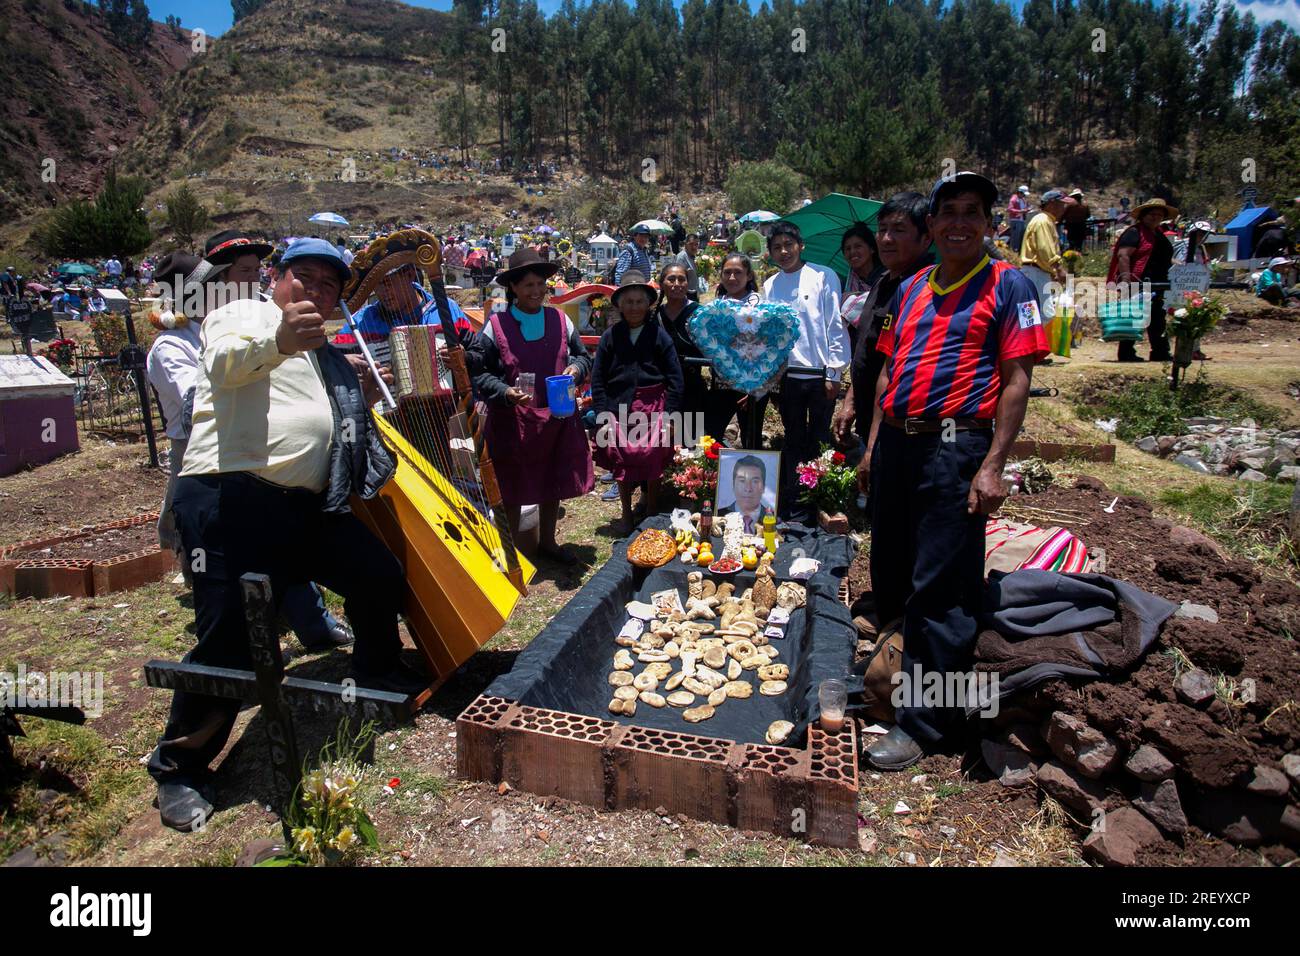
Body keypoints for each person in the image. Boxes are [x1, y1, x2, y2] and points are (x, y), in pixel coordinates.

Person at [149, 238, 411, 832]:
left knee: (375, 575)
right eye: (305, 277)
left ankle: (375, 669)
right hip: (229, 498)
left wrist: (357, 401)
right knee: (229, 640)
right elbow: (223, 365)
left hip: (307, 507)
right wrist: (281, 338)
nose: (315, 291)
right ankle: (180, 768)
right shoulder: (241, 312)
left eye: (328, 285)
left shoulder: (323, 350)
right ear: (276, 278)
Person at [859, 171, 1047, 770]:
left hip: (954, 447)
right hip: (896, 443)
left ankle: (924, 724)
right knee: (889, 563)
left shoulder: (1009, 286)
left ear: (990, 224)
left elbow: (1018, 381)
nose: (959, 223)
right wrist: (870, 448)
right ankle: (887, 677)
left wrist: (993, 465)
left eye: (973, 212)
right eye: (949, 213)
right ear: (933, 225)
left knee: (942, 586)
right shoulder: (911, 288)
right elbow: (888, 372)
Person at [469, 249, 594, 564]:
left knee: (551, 480)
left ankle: (548, 542)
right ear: (513, 288)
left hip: (556, 417)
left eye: (540, 284)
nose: (536, 291)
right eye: (528, 285)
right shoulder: (495, 326)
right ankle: (509, 553)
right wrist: (505, 391)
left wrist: (576, 370)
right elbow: (479, 372)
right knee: (511, 486)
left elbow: (583, 356)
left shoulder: (559, 319)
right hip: (514, 421)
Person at [834, 192, 934, 453]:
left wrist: (873, 446)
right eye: (883, 229)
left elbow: (894, 369)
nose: (887, 238)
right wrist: (851, 402)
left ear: (926, 236)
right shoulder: (884, 283)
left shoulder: (929, 289)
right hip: (872, 420)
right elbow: (868, 351)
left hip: (904, 428)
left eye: (898, 230)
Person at [762, 222, 849, 522]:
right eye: (777, 247)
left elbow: (834, 325)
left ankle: (823, 498)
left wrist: (834, 373)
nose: (783, 251)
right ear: (770, 252)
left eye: (789, 244)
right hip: (788, 376)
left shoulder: (823, 276)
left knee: (821, 438)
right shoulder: (770, 285)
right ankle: (796, 501)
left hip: (819, 373)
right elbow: (770, 335)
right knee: (794, 437)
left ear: (801, 245)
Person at [591, 272, 684, 534]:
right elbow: (598, 378)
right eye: (628, 302)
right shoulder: (611, 336)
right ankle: (626, 515)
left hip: (653, 405)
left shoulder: (658, 335)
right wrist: (601, 414)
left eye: (639, 302)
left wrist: (669, 415)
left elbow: (676, 378)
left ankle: (652, 510)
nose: (634, 307)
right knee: (622, 460)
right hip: (619, 407)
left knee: (653, 459)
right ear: (620, 305)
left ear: (648, 305)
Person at [331, 262, 474, 366]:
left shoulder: (447, 309)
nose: (382, 292)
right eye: (377, 284)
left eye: (388, 282)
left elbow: (479, 353)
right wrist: (346, 362)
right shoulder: (363, 321)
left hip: (450, 404)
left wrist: (465, 357)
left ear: (410, 274)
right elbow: (329, 359)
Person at [708, 253, 768, 446]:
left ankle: (751, 472)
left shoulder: (760, 305)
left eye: (738, 273)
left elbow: (767, 347)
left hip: (751, 384)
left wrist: (753, 386)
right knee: (711, 433)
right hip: (722, 381)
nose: (732, 278)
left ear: (749, 276)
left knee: (751, 435)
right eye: (727, 273)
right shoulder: (716, 305)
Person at [1107, 197, 1177, 362]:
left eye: (1160, 215)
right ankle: (1126, 353)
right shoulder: (1134, 232)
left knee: (1157, 318)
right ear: (1144, 215)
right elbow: (1123, 255)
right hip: (1137, 282)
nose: (1156, 217)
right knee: (1133, 317)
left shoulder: (1159, 235)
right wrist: (1126, 279)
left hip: (1158, 283)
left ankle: (1160, 351)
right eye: (1152, 214)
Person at [655, 262, 704, 435]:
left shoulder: (699, 313)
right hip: (662, 389)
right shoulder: (655, 315)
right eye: (671, 279)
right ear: (662, 284)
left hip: (692, 387)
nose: (677, 284)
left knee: (691, 441)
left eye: (681, 279)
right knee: (664, 438)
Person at [1020, 189, 1068, 325]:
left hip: (1036, 271)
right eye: (1061, 204)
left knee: (1032, 314)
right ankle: (1029, 342)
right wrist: (1058, 267)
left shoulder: (1044, 220)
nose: (1064, 208)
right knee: (1042, 313)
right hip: (1035, 272)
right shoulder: (1043, 221)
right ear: (1051, 204)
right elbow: (1044, 248)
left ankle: (1029, 342)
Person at [839, 221, 886, 358]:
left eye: (858, 246)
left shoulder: (886, 278)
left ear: (872, 249)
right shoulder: (846, 281)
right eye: (847, 249)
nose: (852, 252)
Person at [717, 454, 769, 531]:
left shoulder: (772, 518)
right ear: (733, 485)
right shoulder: (719, 515)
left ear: (763, 487)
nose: (748, 488)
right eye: (742, 481)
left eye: (755, 481)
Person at [673, 233, 702, 302]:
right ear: (686, 244)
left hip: (694, 293)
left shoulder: (693, 256)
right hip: (685, 295)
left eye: (696, 244)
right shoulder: (682, 257)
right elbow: (678, 277)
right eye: (691, 244)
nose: (694, 247)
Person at [1007, 186, 1030, 252]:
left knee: (1020, 237)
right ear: (1020, 193)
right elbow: (1010, 209)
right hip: (1015, 221)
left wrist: (1027, 209)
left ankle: (1018, 251)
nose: (1024, 195)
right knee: (1015, 237)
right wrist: (1021, 211)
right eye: (1023, 194)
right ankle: (1013, 251)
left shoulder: (1023, 200)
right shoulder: (1013, 199)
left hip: (1022, 220)